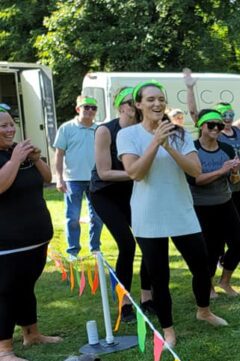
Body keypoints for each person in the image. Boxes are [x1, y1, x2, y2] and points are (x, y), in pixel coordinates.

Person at [119, 81, 228, 347]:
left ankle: (204, 310)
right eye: (150, 99)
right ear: (138, 104)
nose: (157, 104)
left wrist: (169, 146)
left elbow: (194, 170)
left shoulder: (179, 134)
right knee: (159, 276)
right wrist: (155, 143)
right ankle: (168, 330)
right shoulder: (128, 135)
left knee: (202, 267)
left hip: (181, 211)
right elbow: (135, 173)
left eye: (161, 99)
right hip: (148, 215)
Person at [0, 103, 62, 361]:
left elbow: (48, 178)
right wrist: (15, 160)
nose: (10, 128)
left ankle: (32, 334)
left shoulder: (19, 152)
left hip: (36, 236)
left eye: (11, 123)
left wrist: (36, 158)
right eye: (3, 125)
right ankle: (4, 350)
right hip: (7, 241)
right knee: (6, 292)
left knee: (26, 287)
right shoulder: (11, 157)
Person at [183, 68, 240, 262]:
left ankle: (237, 256)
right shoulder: (211, 131)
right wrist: (190, 88)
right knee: (216, 231)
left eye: (230, 114)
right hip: (219, 190)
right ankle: (218, 258)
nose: (226, 119)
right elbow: (194, 113)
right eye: (222, 115)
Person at [89, 86, 152, 321]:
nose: (133, 105)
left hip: (131, 191)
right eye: (129, 101)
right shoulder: (106, 130)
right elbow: (104, 173)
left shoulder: (142, 130)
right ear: (120, 106)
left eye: (136, 100)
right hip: (104, 193)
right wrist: (136, 172)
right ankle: (124, 301)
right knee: (127, 244)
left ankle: (147, 296)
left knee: (149, 239)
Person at [188, 109, 240, 297]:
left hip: (225, 202)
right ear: (200, 126)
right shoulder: (192, 149)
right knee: (211, 249)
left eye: (219, 125)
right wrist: (222, 171)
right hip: (201, 206)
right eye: (211, 124)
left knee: (238, 243)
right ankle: (209, 285)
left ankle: (225, 281)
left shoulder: (226, 149)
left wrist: (234, 172)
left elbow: (233, 180)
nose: (216, 128)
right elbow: (196, 180)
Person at [54, 95, 103, 259]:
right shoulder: (66, 128)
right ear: (78, 109)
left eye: (93, 108)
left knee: (97, 217)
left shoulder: (100, 129)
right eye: (86, 107)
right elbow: (59, 154)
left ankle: (95, 249)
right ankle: (73, 251)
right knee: (72, 218)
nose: (90, 110)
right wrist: (59, 178)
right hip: (72, 179)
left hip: (96, 179)